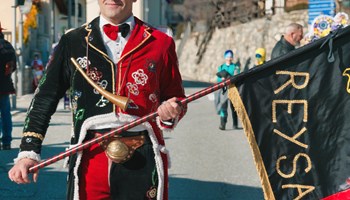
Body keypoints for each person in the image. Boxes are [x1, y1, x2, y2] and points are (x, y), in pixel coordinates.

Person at [8, 1, 186, 199]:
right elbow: (44, 98)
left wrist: (170, 111)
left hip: (143, 157)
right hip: (89, 157)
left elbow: (175, 96)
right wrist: (28, 152)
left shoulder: (161, 42)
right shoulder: (72, 41)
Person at [0, 22, 17, 150]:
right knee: (6, 114)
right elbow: (14, 67)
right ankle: (6, 141)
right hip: (5, 86)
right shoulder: (8, 46)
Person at [215, 50, 240, 130]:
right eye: (227, 56)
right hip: (224, 90)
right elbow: (218, 79)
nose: (229, 58)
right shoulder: (221, 67)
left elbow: (237, 76)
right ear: (225, 57)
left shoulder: (235, 67)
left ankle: (235, 124)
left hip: (233, 89)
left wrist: (229, 77)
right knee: (223, 106)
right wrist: (221, 79)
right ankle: (223, 123)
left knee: (234, 108)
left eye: (230, 56)